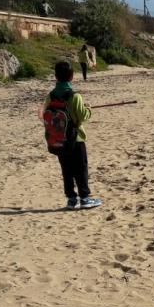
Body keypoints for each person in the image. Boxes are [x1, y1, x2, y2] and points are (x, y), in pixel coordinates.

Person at [41, 61, 101, 210]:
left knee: (66, 170)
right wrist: (88, 109)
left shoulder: (51, 96)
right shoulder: (75, 96)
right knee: (81, 169)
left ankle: (71, 199)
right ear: (72, 77)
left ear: (56, 76)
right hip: (76, 139)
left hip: (59, 139)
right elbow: (82, 117)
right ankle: (85, 198)